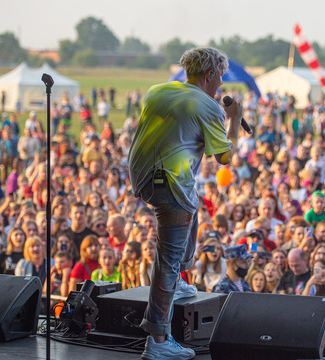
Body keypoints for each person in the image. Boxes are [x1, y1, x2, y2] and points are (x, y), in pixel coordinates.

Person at [128, 48, 243, 360]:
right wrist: (234, 120)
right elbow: (224, 159)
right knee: (168, 259)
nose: (221, 83)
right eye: (219, 76)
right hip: (172, 185)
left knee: (193, 211)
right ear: (209, 75)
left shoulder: (157, 92)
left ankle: (178, 280)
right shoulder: (208, 106)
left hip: (143, 178)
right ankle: (158, 339)